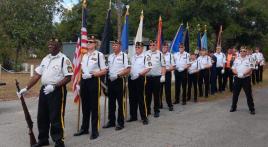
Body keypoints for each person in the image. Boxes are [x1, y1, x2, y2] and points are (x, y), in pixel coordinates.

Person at [17, 38, 73, 147]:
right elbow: (37, 75)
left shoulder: (64, 59)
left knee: (56, 116)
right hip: (44, 90)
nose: (50, 46)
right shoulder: (45, 59)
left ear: (59, 46)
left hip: (57, 90)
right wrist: (26, 88)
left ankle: (58, 141)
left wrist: (54, 86)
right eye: (49, 44)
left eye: (53, 44)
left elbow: (68, 77)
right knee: (42, 116)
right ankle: (43, 139)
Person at [74, 35, 107, 140]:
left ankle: (94, 130)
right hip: (84, 81)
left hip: (93, 81)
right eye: (87, 42)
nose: (88, 43)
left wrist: (93, 75)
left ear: (95, 44)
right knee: (85, 106)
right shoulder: (84, 55)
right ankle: (84, 128)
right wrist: (79, 83)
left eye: (91, 42)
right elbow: (81, 70)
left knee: (94, 106)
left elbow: (104, 70)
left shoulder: (99, 55)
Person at [103, 40, 130, 130]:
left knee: (120, 102)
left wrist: (118, 75)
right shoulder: (110, 56)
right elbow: (107, 68)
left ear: (120, 46)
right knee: (111, 102)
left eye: (116, 45)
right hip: (111, 81)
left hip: (119, 80)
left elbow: (128, 69)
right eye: (113, 45)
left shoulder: (124, 56)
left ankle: (120, 122)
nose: (114, 46)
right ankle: (111, 121)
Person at [128, 42, 151, 125]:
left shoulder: (146, 56)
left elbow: (148, 68)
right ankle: (133, 116)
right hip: (131, 78)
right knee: (132, 98)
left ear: (142, 48)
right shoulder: (132, 57)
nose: (137, 48)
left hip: (140, 78)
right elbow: (129, 67)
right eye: (136, 47)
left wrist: (139, 74)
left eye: (139, 47)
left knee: (141, 98)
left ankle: (144, 117)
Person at [230, 47, 255, 115]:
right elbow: (233, 68)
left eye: (244, 51)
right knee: (235, 94)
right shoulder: (236, 59)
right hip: (237, 78)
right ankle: (233, 107)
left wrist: (243, 74)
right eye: (241, 51)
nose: (242, 52)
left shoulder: (250, 59)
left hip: (246, 79)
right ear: (239, 52)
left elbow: (251, 68)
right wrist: (238, 73)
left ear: (246, 52)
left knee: (248, 94)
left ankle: (251, 109)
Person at [145, 40, 166, 117]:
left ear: (156, 45)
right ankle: (148, 110)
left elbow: (163, 66)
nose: (152, 46)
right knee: (147, 95)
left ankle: (156, 110)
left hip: (156, 78)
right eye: (150, 45)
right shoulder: (146, 53)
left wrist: (163, 75)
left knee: (156, 95)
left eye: (153, 45)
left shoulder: (160, 54)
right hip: (147, 77)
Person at [159, 42, 175, 111]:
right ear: (161, 48)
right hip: (159, 74)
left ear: (167, 48)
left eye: (165, 47)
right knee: (159, 90)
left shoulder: (171, 55)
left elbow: (174, 66)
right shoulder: (158, 55)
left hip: (167, 73)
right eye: (163, 47)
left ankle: (170, 105)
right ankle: (160, 104)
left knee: (167, 90)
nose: (164, 48)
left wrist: (167, 70)